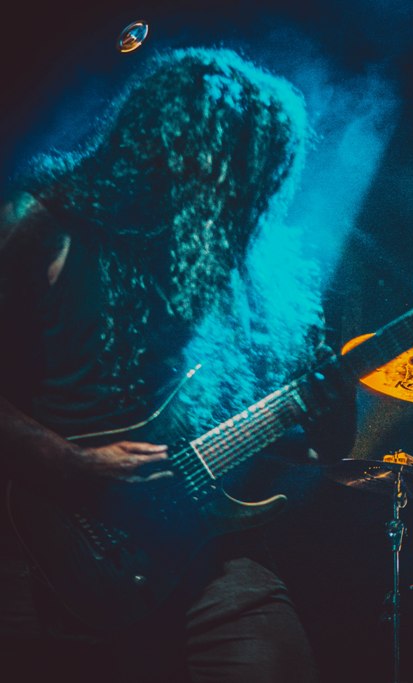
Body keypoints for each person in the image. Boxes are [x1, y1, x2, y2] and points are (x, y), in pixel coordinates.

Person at [0, 47, 354, 682]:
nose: (242, 189)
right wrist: (73, 463)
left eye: (260, 172)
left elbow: (315, 452)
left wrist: (331, 405)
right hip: (49, 538)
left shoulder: (257, 280)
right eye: (232, 163)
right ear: (166, 146)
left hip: (207, 549)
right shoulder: (49, 226)